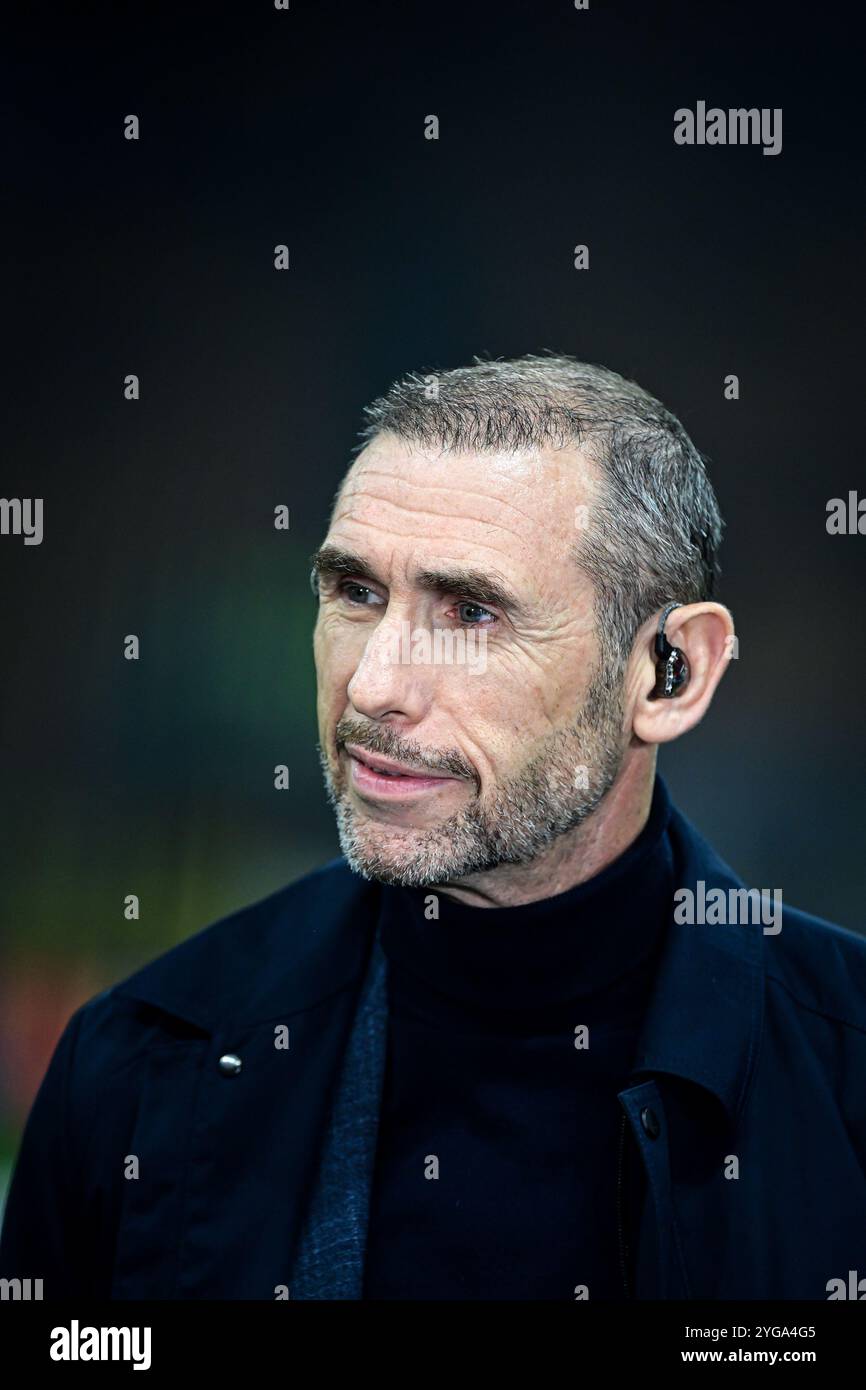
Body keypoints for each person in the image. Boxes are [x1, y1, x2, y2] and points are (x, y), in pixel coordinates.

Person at [2, 354, 865, 1300]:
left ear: (672, 674)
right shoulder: (133, 1068)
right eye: (356, 593)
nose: (373, 687)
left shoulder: (845, 1066)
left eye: (472, 613)